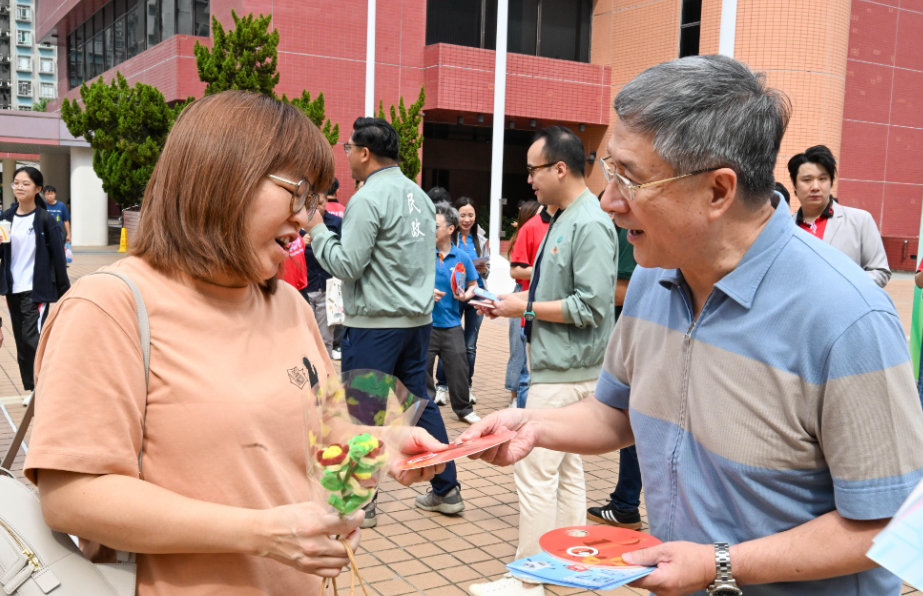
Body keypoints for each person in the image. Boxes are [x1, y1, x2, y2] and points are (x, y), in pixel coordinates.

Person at [461, 55, 923, 596]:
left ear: (718, 192)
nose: (609, 201)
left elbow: (893, 524)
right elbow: (617, 411)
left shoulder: (846, 318)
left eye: (629, 177)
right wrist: (533, 427)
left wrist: (719, 564)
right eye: (609, 170)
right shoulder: (655, 283)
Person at [22, 92, 444, 596]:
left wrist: (388, 442)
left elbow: (325, 429)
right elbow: (72, 497)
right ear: (224, 176)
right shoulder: (110, 306)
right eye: (299, 193)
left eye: (314, 201)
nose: (307, 217)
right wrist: (262, 534)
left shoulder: (287, 303)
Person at [469, 126, 617, 596]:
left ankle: (527, 580)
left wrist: (523, 307)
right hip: (563, 369)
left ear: (559, 168)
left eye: (533, 168)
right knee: (567, 472)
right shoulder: (564, 217)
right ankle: (566, 566)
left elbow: (592, 306)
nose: (528, 179)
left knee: (534, 473)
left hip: (564, 372)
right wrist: (514, 303)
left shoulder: (588, 221)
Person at [308, 117, 465, 526]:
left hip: (376, 322)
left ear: (364, 152)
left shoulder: (368, 198)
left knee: (364, 409)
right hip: (417, 321)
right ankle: (447, 489)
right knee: (418, 400)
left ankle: (362, 501)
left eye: (348, 148)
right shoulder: (418, 196)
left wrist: (317, 231)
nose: (346, 155)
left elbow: (347, 264)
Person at [586, 210, 643, 530]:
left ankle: (625, 504)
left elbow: (623, 290)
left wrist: (583, 297)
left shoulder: (630, 227)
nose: (609, 201)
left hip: (631, 340)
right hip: (636, 340)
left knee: (634, 419)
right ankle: (625, 502)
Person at [0, 167, 70, 405]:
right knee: (21, 342)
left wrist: (65, 295)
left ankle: (49, 386)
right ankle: (33, 389)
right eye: (16, 183)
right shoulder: (5, 219)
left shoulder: (44, 219)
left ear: (38, 189)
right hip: (13, 290)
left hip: (36, 289)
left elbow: (59, 261)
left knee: (33, 338)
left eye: (25, 184)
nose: (19, 187)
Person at [788, 145, 891, 287]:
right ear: (794, 184)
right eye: (807, 180)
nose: (815, 187)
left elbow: (880, 271)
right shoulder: (784, 227)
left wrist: (843, 288)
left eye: (822, 179)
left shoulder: (860, 221)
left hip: (847, 307)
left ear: (831, 181)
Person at [429, 202, 481, 423]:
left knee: (459, 367)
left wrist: (467, 295)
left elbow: (473, 284)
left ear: (451, 229)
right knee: (420, 369)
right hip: (425, 324)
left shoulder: (462, 256)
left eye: (436, 226)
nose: (431, 229)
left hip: (451, 324)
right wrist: (426, 292)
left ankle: (464, 410)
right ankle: (426, 409)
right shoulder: (422, 253)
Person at [504, 200, 541, 407]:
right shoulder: (524, 236)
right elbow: (515, 270)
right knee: (518, 349)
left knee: (523, 350)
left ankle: (519, 395)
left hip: (533, 294)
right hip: (522, 292)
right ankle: (514, 396)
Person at [303, 189, 343, 356]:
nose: (318, 208)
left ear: (327, 201)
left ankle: (326, 374)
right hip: (304, 287)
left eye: (321, 203)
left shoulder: (336, 222)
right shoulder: (300, 224)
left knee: (325, 337)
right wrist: (301, 240)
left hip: (328, 288)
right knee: (305, 337)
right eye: (313, 204)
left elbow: (342, 250)